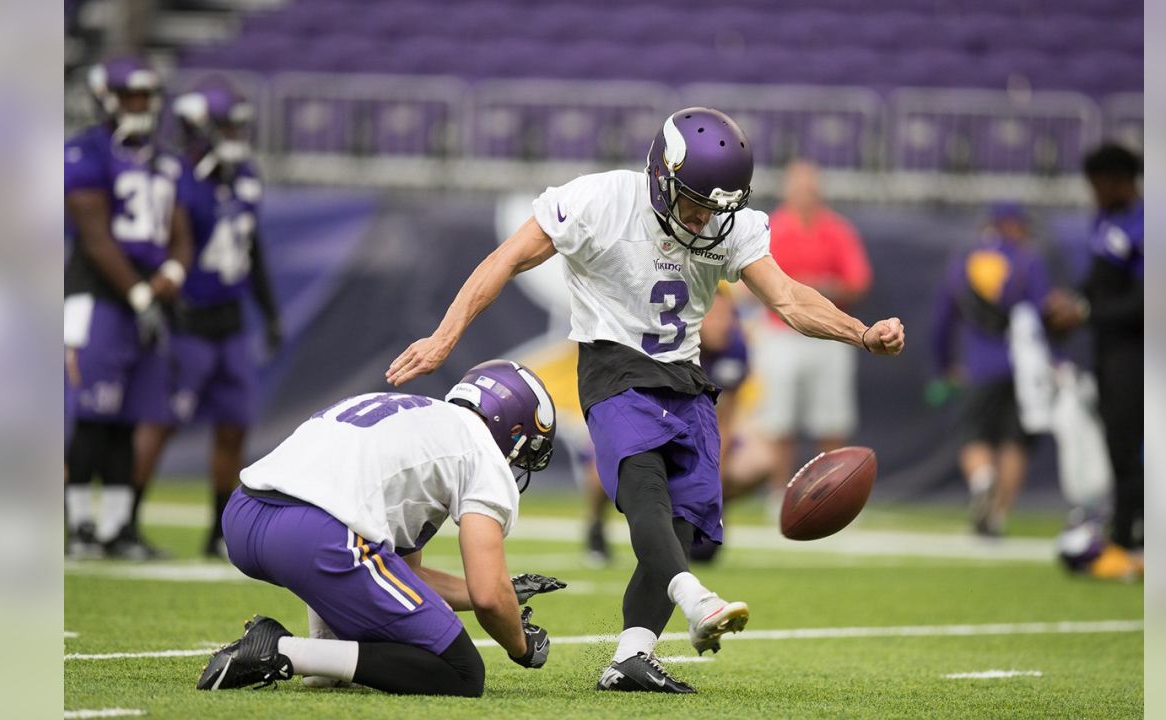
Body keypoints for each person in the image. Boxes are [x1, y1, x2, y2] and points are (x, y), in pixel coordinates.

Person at [386, 107, 905, 693]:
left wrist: (858, 332)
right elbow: (507, 258)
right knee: (644, 489)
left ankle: (631, 655)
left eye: (715, 205)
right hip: (614, 366)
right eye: (692, 199)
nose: (703, 215)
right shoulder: (600, 201)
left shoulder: (727, 225)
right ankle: (694, 596)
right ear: (661, 174)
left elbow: (787, 300)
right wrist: (444, 336)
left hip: (684, 373)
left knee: (684, 520)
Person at [197, 360, 564, 695]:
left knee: (368, 572)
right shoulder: (479, 449)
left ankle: (322, 657)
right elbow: (488, 598)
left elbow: (403, 574)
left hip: (244, 515)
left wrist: (505, 594)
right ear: (513, 428)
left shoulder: (412, 414)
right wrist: (522, 644)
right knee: (462, 672)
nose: (519, 460)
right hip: (316, 539)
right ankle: (280, 649)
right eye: (527, 447)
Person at [131, 78, 283, 559]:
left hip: (231, 322)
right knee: (161, 420)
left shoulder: (243, 174)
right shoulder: (178, 176)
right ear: (202, 126)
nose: (237, 132)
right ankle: (123, 522)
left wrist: (269, 310)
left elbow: (252, 248)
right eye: (228, 124)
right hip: (188, 320)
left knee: (234, 425)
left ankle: (218, 531)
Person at [64, 56, 192, 559]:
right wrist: (140, 294)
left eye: (146, 95)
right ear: (108, 97)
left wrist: (170, 275)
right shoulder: (86, 150)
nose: (140, 105)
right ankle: (79, 528)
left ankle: (117, 529)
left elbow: (180, 232)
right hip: (98, 295)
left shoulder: (165, 158)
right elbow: (95, 237)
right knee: (93, 414)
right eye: (130, 95)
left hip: (146, 300)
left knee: (128, 418)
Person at [583, 285, 750, 566]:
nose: (724, 325)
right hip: (646, 425)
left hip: (696, 431)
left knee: (759, 459)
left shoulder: (734, 347)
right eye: (716, 318)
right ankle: (596, 524)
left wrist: (712, 483)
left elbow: (728, 419)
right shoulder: (655, 344)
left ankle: (705, 513)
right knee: (606, 460)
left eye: (728, 317)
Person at [1044, 142, 1144, 580]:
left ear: (1120, 181)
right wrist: (1074, 301)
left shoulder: (1147, 222)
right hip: (1110, 348)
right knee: (1118, 446)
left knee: (1135, 449)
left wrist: (1084, 312)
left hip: (1141, 349)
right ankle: (1124, 539)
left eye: (1099, 185)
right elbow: (1100, 282)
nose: (1093, 193)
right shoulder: (1107, 220)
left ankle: (1130, 542)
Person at [754, 160, 872, 506]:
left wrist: (817, 288)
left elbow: (858, 282)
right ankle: (779, 495)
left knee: (830, 421)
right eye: (798, 188)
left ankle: (834, 493)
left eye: (810, 188)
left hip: (828, 334)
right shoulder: (770, 227)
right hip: (780, 334)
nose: (805, 195)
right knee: (779, 420)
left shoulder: (837, 230)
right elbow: (751, 284)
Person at [930, 202, 1051, 537]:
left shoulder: (965, 259)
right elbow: (1044, 315)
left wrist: (944, 365)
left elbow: (943, 319)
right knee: (1016, 441)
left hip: (978, 365)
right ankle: (997, 516)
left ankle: (982, 480)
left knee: (974, 435)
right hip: (1023, 368)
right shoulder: (1028, 259)